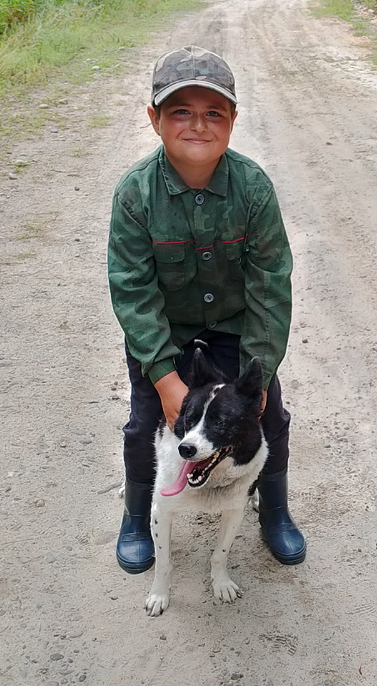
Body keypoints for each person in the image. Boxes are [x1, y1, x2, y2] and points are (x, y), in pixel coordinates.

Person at [107, 45, 305, 574]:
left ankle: (274, 507)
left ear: (233, 120)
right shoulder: (134, 195)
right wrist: (166, 379)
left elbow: (271, 284)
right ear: (154, 119)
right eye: (180, 112)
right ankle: (137, 513)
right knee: (145, 420)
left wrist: (257, 373)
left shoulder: (253, 189)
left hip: (236, 332)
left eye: (214, 112)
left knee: (272, 419)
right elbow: (132, 290)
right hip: (166, 336)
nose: (198, 125)